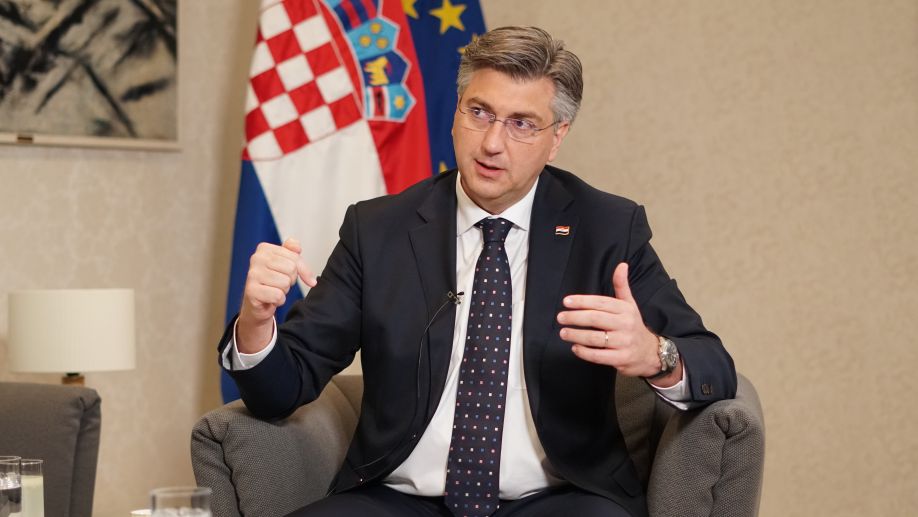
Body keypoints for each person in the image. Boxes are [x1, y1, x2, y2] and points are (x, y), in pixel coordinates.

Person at [219, 26, 736, 517]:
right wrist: (257, 323)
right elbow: (282, 389)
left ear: (557, 137)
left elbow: (714, 365)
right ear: (455, 114)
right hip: (398, 500)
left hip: (560, 498)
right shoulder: (378, 230)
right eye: (480, 112)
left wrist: (655, 354)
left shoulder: (606, 229)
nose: (491, 143)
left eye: (522, 123)